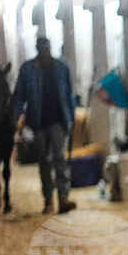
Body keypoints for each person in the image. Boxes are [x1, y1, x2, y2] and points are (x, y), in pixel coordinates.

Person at [12, 37, 77, 214]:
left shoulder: (61, 67)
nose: (45, 52)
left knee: (59, 159)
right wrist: (16, 118)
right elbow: (19, 96)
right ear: (37, 50)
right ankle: (48, 200)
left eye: (47, 48)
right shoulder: (27, 70)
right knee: (44, 162)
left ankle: (63, 198)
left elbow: (69, 94)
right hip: (38, 123)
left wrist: (71, 118)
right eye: (42, 49)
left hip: (58, 121)